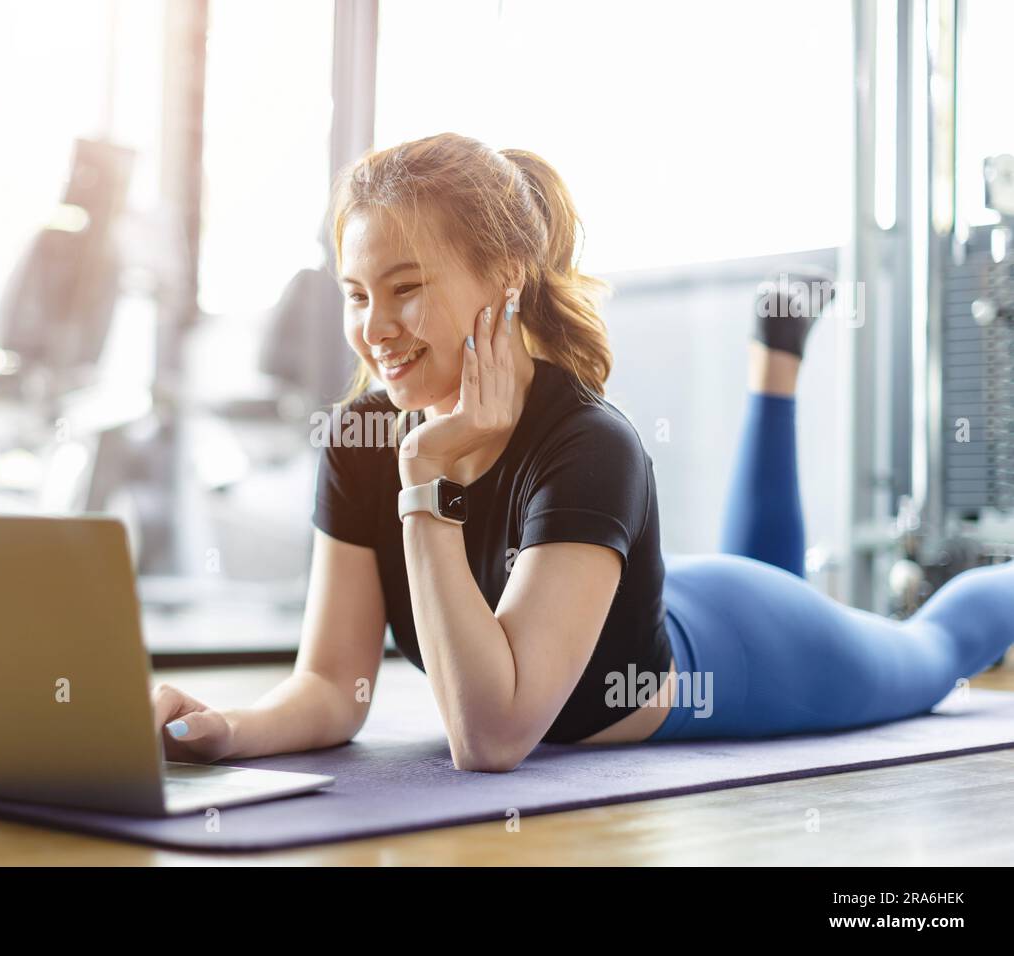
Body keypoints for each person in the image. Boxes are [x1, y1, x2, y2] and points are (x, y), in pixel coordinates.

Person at [152, 132, 1014, 772]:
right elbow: (337, 687)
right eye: (356, 295)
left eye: (406, 290)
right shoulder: (361, 437)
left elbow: (490, 737)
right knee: (773, 565)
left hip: (743, 648)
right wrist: (229, 730)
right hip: (668, 591)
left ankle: (774, 361)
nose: (373, 329)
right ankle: (777, 357)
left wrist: (427, 483)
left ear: (506, 278)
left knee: (934, 648)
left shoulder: (592, 445)